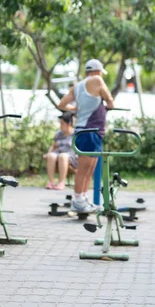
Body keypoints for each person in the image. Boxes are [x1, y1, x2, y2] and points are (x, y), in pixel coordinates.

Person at [58, 59, 114, 213]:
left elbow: (61, 105)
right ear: (97, 71)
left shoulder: (77, 87)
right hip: (90, 130)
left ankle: (83, 198)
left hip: (89, 130)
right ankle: (77, 200)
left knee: (90, 167)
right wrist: (106, 105)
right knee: (85, 168)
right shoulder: (97, 80)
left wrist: (75, 108)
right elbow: (110, 101)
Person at [43, 112, 78, 190]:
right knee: (51, 156)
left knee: (63, 156)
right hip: (58, 154)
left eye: (62, 124)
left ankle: (61, 182)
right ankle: (51, 182)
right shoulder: (59, 133)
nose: (60, 126)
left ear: (69, 124)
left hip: (71, 156)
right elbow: (53, 146)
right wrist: (48, 154)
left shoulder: (76, 134)